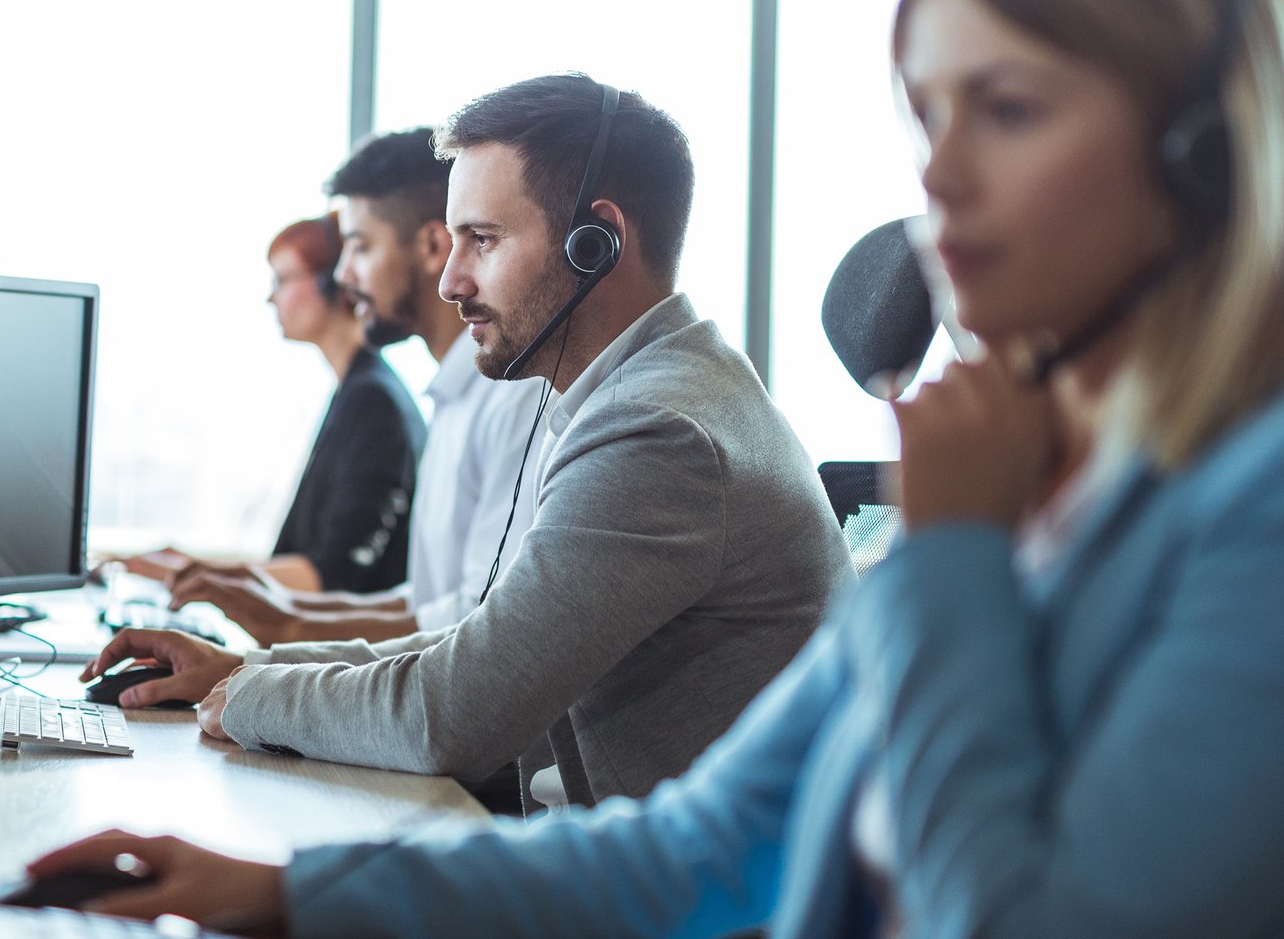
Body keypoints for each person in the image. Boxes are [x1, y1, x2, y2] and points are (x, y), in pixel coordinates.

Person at [33, 0, 1284, 939]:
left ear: (1201, 161)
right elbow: (697, 848)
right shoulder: (1026, 491)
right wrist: (281, 891)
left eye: (1007, 111)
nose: (938, 177)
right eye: (926, 116)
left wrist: (952, 559)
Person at [86, 77, 852, 811]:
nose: (451, 281)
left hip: (679, 926)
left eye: (481, 240)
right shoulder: (664, 389)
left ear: (598, 243)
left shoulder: (656, 433)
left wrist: (251, 695)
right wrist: (250, 665)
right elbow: (479, 650)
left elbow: (451, 715)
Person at [166, 128, 547, 646]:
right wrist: (274, 607)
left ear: (433, 246)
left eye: (360, 247)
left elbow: (475, 628)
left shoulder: (512, 398)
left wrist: (275, 644)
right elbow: (425, 603)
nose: (343, 275)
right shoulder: (452, 398)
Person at [122, 215, 424, 595]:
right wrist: (189, 565)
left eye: (281, 280)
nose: (271, 297)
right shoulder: (353, 392)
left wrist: (193, 573)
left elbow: (331, 575)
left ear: (333, 283)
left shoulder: (373, 403)